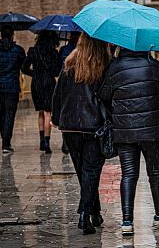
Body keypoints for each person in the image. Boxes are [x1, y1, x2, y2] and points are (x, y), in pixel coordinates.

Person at [99, 47, 159, 236]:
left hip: (124, 130)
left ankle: (127, 221)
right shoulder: (154, 66)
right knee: (155, 173)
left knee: (129, 174)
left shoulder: (113, 67)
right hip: (152, 129)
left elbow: (105, 95)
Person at [52, 33, 110, 235]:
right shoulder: (103, 65)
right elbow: (107, 96)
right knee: (91, 171)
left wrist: (57, 118)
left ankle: (95, 211)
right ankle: (84, 214)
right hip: (93, 126)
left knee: (84, 173)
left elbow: (58, 93)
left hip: (70, 127)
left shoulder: (69, 63)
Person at [0, 26, 26, 153]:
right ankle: (6, 143)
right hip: (12, 86)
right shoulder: (18, 50)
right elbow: (23, 66)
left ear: (1, 35)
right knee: (10, 114)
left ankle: (5, 140)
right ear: (12, 35)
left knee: (2, 112)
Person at [21, 31, 60, 154]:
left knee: (41, 112)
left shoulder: (33, 51)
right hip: (49, 83)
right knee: (48, 112)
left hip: (36, 84)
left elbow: (24, 68)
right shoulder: (54, 53)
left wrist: (35, 74)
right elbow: (56, 72)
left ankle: (42, 140)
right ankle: (47, 142)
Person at [58, 31, 81, 154]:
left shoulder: (64, 50)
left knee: (67, 111)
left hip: (67, 87)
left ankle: (65, 142)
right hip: (81, 86)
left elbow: (58, 68)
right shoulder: (84, 52)